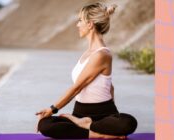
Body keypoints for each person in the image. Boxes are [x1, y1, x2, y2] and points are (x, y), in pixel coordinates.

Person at [35, 3, 137, 139]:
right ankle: (97, 132)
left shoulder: (102, 55)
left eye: (80, 20)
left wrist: (52, 109)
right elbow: (109, 86)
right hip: (79, 113)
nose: (77, 24)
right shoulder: (87, 53)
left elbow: (77, 87)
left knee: (129, 122)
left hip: (104, 114)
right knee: (45, 125)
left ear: (90, 24)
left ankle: (88, 126)